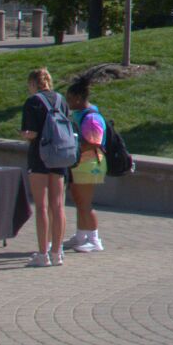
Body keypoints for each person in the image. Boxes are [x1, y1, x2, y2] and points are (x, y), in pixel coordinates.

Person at [19, 67, 70, 267]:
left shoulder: (33, 102)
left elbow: (31, 132)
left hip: (40, 156)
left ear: (33, 83)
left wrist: (23, 135)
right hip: (60, 154)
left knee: (41, 206)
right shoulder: (61, 100)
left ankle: (43, 253)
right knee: (58, 206)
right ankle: (57, 252)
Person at [63, 77, 107, 254]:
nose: (68, 102)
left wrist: (73, 145)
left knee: (86, 203)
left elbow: (94, 142)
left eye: (70, 98)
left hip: (90, 163)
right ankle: (81, 235)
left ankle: (95, 239)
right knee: (79, 200)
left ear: (79, 98)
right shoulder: (79, 114)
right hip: (79, 163)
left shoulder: (92, 118)